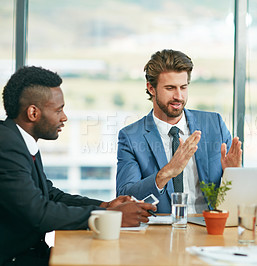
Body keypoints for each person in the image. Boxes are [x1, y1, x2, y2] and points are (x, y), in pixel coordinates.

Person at [0, 66, 156, 265]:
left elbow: (50, 194)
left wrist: (103, 205)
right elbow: (39, 213)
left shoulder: (20, 141)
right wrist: (109, 216)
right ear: (33, 112)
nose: (64, 117)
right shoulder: (7, 146)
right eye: (58, 110)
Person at [116, 49, 242, 214]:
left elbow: (236, 196)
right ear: (151, 88)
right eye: (170, 88)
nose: (179, 96)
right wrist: (167, 172)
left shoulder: (214, 124)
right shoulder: (131, 137)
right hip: (162, 232)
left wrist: (233, 174)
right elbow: (124, 198)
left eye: (183, 87)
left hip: (210, 227)